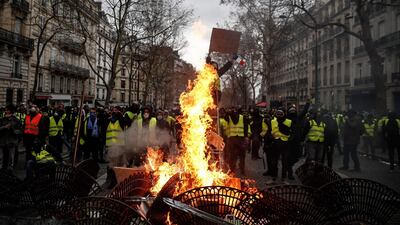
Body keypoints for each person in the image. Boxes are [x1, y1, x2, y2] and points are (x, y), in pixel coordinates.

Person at [223, 107, 251, 175]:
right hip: (234, 139)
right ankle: (233, 169)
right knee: (233, 156)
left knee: (240, 156)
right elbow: (225, 118)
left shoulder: (242, 118)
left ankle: (240, 170)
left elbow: (246, 127)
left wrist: (246, 137)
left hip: (238, 139)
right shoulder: (229, 117)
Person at [286, 100, 310, 179]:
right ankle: (289, 173)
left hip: (297, 141)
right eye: (291, 110)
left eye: (293, 110)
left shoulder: (298, 118)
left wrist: (307, 103)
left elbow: (304, 111)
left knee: (297, 157)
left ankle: (289, 165)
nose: (293, 112)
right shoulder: (286, 120)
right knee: (289, 158)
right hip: (290, 142)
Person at [269, 108, 292, 180]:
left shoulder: (289, 121)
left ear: (284, 114)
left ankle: (283, 178)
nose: (279, 115)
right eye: (277, 114)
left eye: (281, 114)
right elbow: (270, 131)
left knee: (284, 162)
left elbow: (291, 132)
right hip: (275, 142)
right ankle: (273, 178)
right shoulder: (273, 121)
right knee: (274, 162)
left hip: (285, 143)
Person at [0, 104, 22, 169]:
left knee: (11, 158)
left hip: (11, 141)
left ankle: (10, 170)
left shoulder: (16, 120)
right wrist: (4, 127)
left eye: (7, 110)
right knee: (1, 157)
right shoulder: (2, 119)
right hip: (2, 141)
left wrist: (12, 129)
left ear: (10, 111)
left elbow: (20, 131)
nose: (5, 111)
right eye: (5, 110)